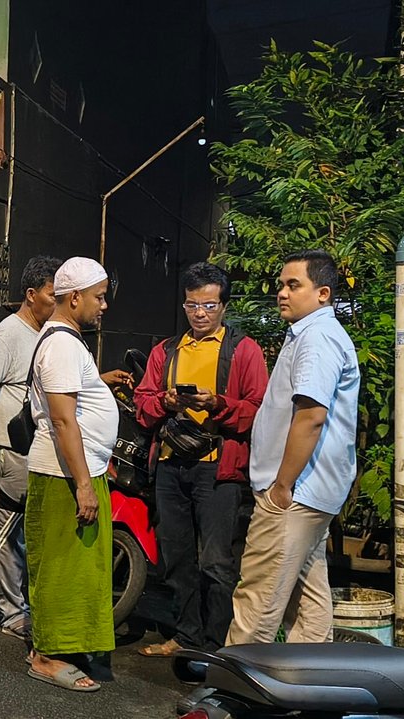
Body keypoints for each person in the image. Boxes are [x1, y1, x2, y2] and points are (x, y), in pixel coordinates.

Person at [227, 249, 361, 645]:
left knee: (258, 598)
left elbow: (311, 417)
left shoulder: (317, 338)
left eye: (293, 285)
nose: (281, 293)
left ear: (322, 293)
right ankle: (312, 685)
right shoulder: (312, 333)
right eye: (281, 285)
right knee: (308, 597)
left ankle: (232, 695)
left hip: (294, 493)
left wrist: (281, 486)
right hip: (311, 491)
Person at [132, 262, 266, 656]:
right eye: (192, 306)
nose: (200, 314)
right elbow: (143, 404)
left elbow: (259, 409)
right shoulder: (166, 350)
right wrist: (166, 401)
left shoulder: (243, 351)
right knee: (175, 555)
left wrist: (218, 404)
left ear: (224, 305)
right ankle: (186, 635)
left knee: (216, 562)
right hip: (171, 464)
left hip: (218, 470)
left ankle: (217, 646)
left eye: (208, 305)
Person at [24, 257, 134, 692]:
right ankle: (47, 656)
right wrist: (83, 485)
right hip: (64, 477)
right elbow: (63, 421)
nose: (104, 305)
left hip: (78, 472)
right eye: (99, 297)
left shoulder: (69, 342)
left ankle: (68, 646)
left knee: (81, 569)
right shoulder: (62, 345)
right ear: (75, 298)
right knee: (61, 568)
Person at [0, 255, 63, 641]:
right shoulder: (9, 334)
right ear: (31, 294)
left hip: (29, 447)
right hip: (5, 447)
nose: (58, 303)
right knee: (4, 535)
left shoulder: (44, 333)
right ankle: (9, 612)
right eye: (53, 295)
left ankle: (21, 602)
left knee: (20, 530)